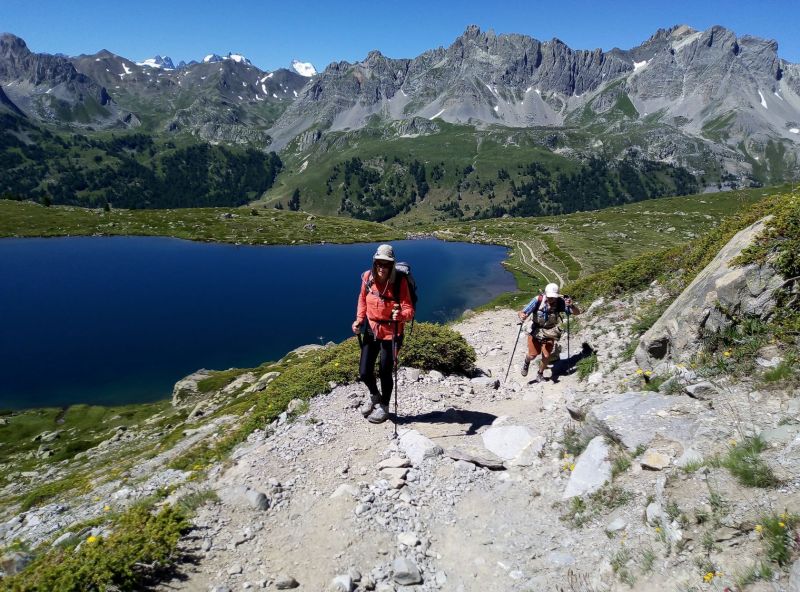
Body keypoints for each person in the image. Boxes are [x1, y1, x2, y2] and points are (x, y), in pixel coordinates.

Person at [352, 244, 415, 423]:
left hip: (392, 332)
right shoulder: (367, 277)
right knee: (364, 371)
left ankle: (384, 407)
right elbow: (362, 299)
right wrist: (359, 320)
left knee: (385, 372)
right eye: (379, 263)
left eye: (386, 264)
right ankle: (374, 395)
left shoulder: (400, 282)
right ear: (374, 262)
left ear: (392, 265)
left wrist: (401, 314)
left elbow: (409, 310)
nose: (382, 267)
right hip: (372, 329)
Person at [517, 282, 580, 383]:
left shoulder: (560, 302)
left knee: (546, 356)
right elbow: (523, 312)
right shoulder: (538, 300)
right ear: (546, 294)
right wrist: (522, 316)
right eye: (550, 297)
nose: (552, 299)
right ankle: (527, 361)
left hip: (550, 331)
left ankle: (540, 374)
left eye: (554, 297)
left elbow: (577, 313)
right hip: (535, 330)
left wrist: (571, 306)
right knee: (533, 355)